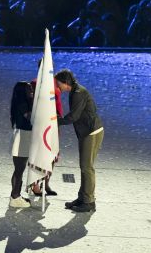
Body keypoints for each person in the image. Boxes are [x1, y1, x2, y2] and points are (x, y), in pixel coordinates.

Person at [55, 69, 104, 213]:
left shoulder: (78, 93)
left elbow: (73, 116)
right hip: (86, 132)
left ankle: (89, 202)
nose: (58, 87)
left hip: (91, 132)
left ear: (66, 82)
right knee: (84, 166)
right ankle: (82, 197)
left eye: (59, 84)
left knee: (87, 167)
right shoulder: (75, 91)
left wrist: (56, 121)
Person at [9, 81, 34, 208]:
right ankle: (15, 197)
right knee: (19, 169)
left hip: (21, 136)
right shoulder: (23, 103)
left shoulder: (18, 102)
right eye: (29, 89)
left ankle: (15, 195)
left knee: (19, 169)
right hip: (22, 137)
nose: (31, 91)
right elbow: (30, 117)